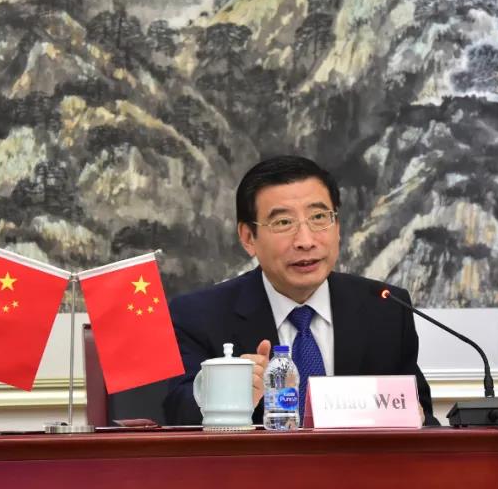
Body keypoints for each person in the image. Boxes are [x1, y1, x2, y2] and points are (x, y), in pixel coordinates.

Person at [163, 155, 437, 425]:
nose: (306, 241)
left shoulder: (386, 309)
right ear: (248, 238)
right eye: (283, 222)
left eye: (319, 217)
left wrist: (415, 417)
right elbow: (178, 414)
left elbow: (423, 421)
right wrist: (229, 394)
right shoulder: (199, 316)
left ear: (337, 226)